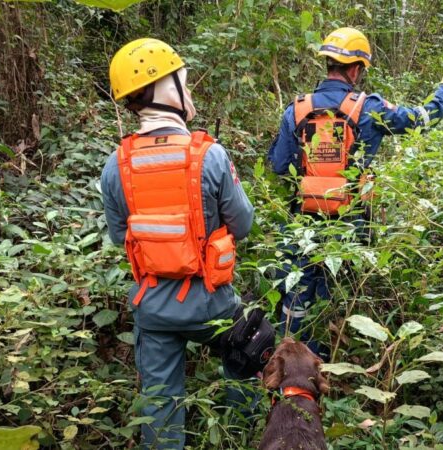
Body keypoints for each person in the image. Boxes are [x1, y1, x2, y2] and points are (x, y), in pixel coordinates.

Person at [267, 27, 443, 358]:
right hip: (350, 226)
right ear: (355, 69)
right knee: (336, 300)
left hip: (300, 225)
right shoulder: (368, 108)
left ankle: (291, 371)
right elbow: (422, 119)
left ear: (328, 64)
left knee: (295, 299)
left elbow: (278, 165)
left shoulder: (296, 109)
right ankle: (328, 367)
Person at [101, 38, 258, 449]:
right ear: (167, 89)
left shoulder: (115, 164)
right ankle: (240, 433)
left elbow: (120, 236)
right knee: (248, 348)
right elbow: (242, 225)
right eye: (183, 83)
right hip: (212, 303)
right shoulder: (209, 155)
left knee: (159, 404)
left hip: (153, 306)